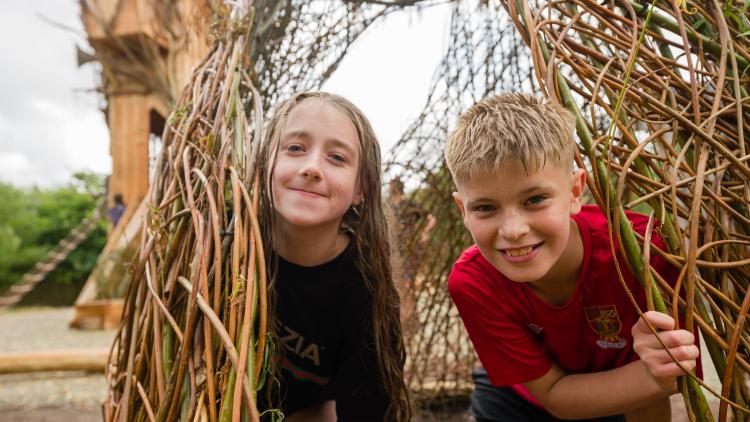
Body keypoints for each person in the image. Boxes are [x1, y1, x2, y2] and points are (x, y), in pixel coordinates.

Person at [442, 93, 699, 421]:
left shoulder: (643, 251)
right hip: (520, 399)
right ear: (463, 210)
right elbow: (553, 394)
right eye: (485, 207)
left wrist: (657, 374)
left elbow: (660, 390)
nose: (513, 229)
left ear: (575, 192)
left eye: (535, 199)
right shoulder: (474, 281)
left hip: (621, 396)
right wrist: (651, 378)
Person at [255, 91, 410, 421]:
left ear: (360, 190)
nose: (311, 168)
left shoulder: (365, 291)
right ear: (265, 163)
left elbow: (368, 409)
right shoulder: (229, 245)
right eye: (295, 148)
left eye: (337, 158)